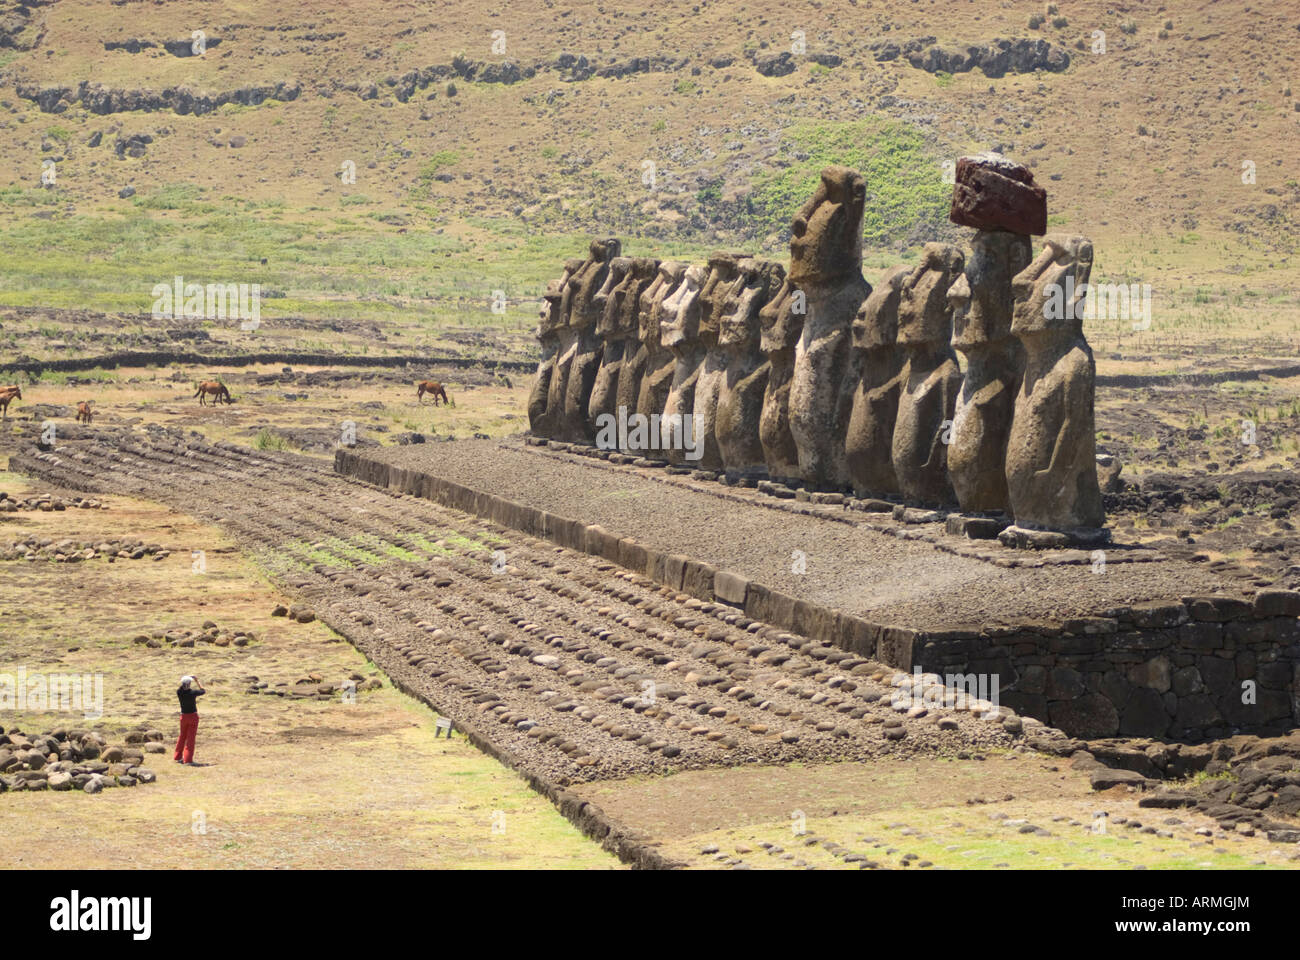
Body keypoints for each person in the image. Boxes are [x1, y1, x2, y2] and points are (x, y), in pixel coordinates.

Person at [173, 675, 205, 764]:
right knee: (190, 739)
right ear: (189, 684)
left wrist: (186, 678)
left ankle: (177, 757)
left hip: (183, 717)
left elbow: (181, 687)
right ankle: (188, 759)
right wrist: (197, 681)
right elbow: (203, 691)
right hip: (193, 717)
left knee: (182, 736)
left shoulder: (179, 692)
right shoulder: (193, 692)